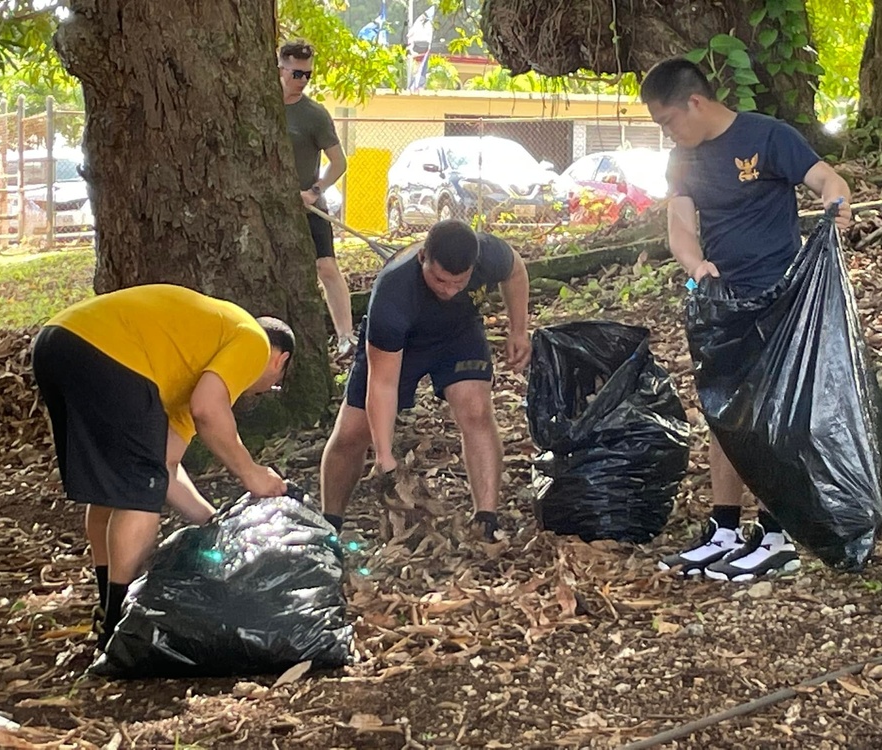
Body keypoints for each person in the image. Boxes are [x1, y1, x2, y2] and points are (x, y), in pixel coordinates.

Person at [640, 58, 853, 581]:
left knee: (773, 414)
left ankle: (777, 533)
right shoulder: (682, 160)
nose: (668, 132)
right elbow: (680, 229)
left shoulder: (767, 136)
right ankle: (724, 528)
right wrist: (698, 267)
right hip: (724, 302)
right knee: (724, 411)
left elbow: (827, 179)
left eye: (668, 121)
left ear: (695, 102)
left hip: (782, 300)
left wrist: (837, 202)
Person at [31, 284, 293, 647]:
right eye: (273, 387)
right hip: (109, 355)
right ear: (279, 362)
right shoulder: (254, 342)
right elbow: (208, 409)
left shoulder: (189, 360)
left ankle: (107, 609)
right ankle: (118, 623)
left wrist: (214, 523)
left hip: (56, 344)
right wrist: (252, 474)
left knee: (119, 487)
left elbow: (165, 466)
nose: (256, 392)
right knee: (139, 495)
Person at [319, 220, 531, 542]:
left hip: (458, 332)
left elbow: (516, 271)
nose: (448, 290)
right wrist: (385, 457)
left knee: (475, 410)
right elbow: (383, 385)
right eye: (440, 280)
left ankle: (486, 519)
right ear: (423, 260)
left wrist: (518, 329)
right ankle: (329, 525)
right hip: (402, 342)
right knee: (352, 433)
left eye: (458, 283)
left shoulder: (488, 253)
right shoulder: (393, 293)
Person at [278, 39, 355, 357]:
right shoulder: (257, 108)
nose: (303, 81)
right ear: (280, 68)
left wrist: (314, 192)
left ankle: (346, 336)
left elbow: (339, 163)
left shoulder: (314, 115)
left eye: (308, 75)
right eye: (297, 74)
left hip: (307, 206)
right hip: (269, 209)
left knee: (326, 267)